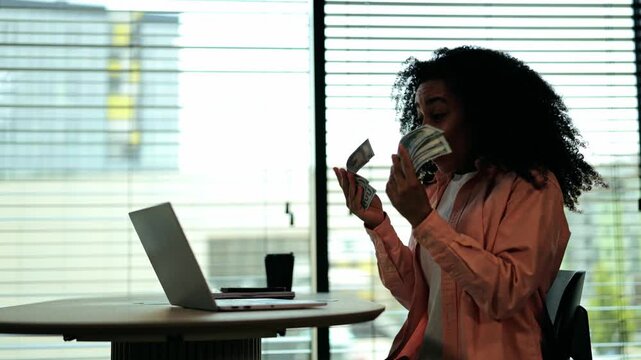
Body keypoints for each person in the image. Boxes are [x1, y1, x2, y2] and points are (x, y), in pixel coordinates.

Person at [333, 46, 605, 360]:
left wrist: (424, 220)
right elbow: (419, 296)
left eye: (437, 115)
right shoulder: (439, 189)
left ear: (481, 115)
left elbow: (506, 293)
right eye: (421, 117)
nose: (424, 131)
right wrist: (378, 223)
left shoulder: (532, 186)